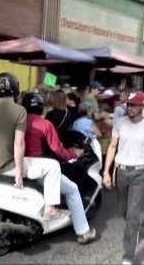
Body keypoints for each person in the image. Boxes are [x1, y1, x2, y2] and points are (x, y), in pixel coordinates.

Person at [0, 72, 68, 220]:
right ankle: (50, 209)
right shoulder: (20, 111)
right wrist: (19, 174)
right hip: (9, 167)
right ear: (15, 90)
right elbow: (19, 143)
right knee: (53, 166)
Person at [22, 92, 97, 244]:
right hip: (39, 167)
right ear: (41, 108)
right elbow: (57, 149)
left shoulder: (17, 122)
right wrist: (74, 153)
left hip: (17, 166)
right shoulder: (45, 124)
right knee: (73, 189)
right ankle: (83, 232)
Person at [102, 91, 144, 265]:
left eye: (134, 105)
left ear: (143, 106)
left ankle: (128, 255)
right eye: (129, 105)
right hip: (120, 172)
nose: (130, 108)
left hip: (139, 173)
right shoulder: (119, 123)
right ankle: (134, 227)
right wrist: (106, 171)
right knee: (124, 211)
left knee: (133, 214)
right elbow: (113, 146)